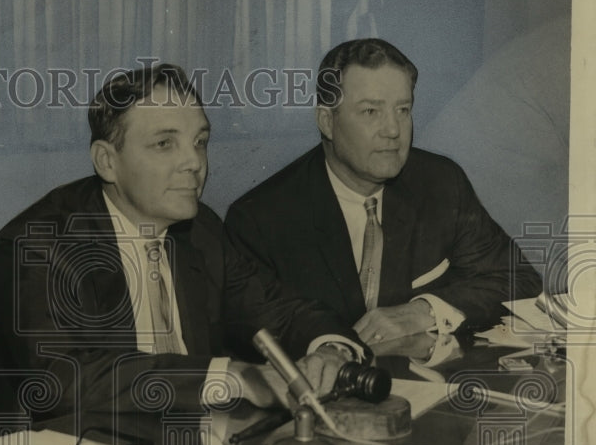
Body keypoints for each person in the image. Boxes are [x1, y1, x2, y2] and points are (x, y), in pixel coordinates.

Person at [0, 63, 364, 422]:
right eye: (165, 143)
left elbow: (282, 312)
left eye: (199, 141)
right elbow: (60, 379)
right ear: (106, 161)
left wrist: (330, 350)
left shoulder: (201, 230)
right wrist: (232, 375)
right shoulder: (39, 243)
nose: (194, 163)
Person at [225, 38, 543, 348]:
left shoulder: (441, 183)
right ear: (326, 121)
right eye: (371, 112)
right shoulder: (259, 218)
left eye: (402, 110)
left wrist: (426, 310)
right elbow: (254, 336)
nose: (393, 130)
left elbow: (519, 280)